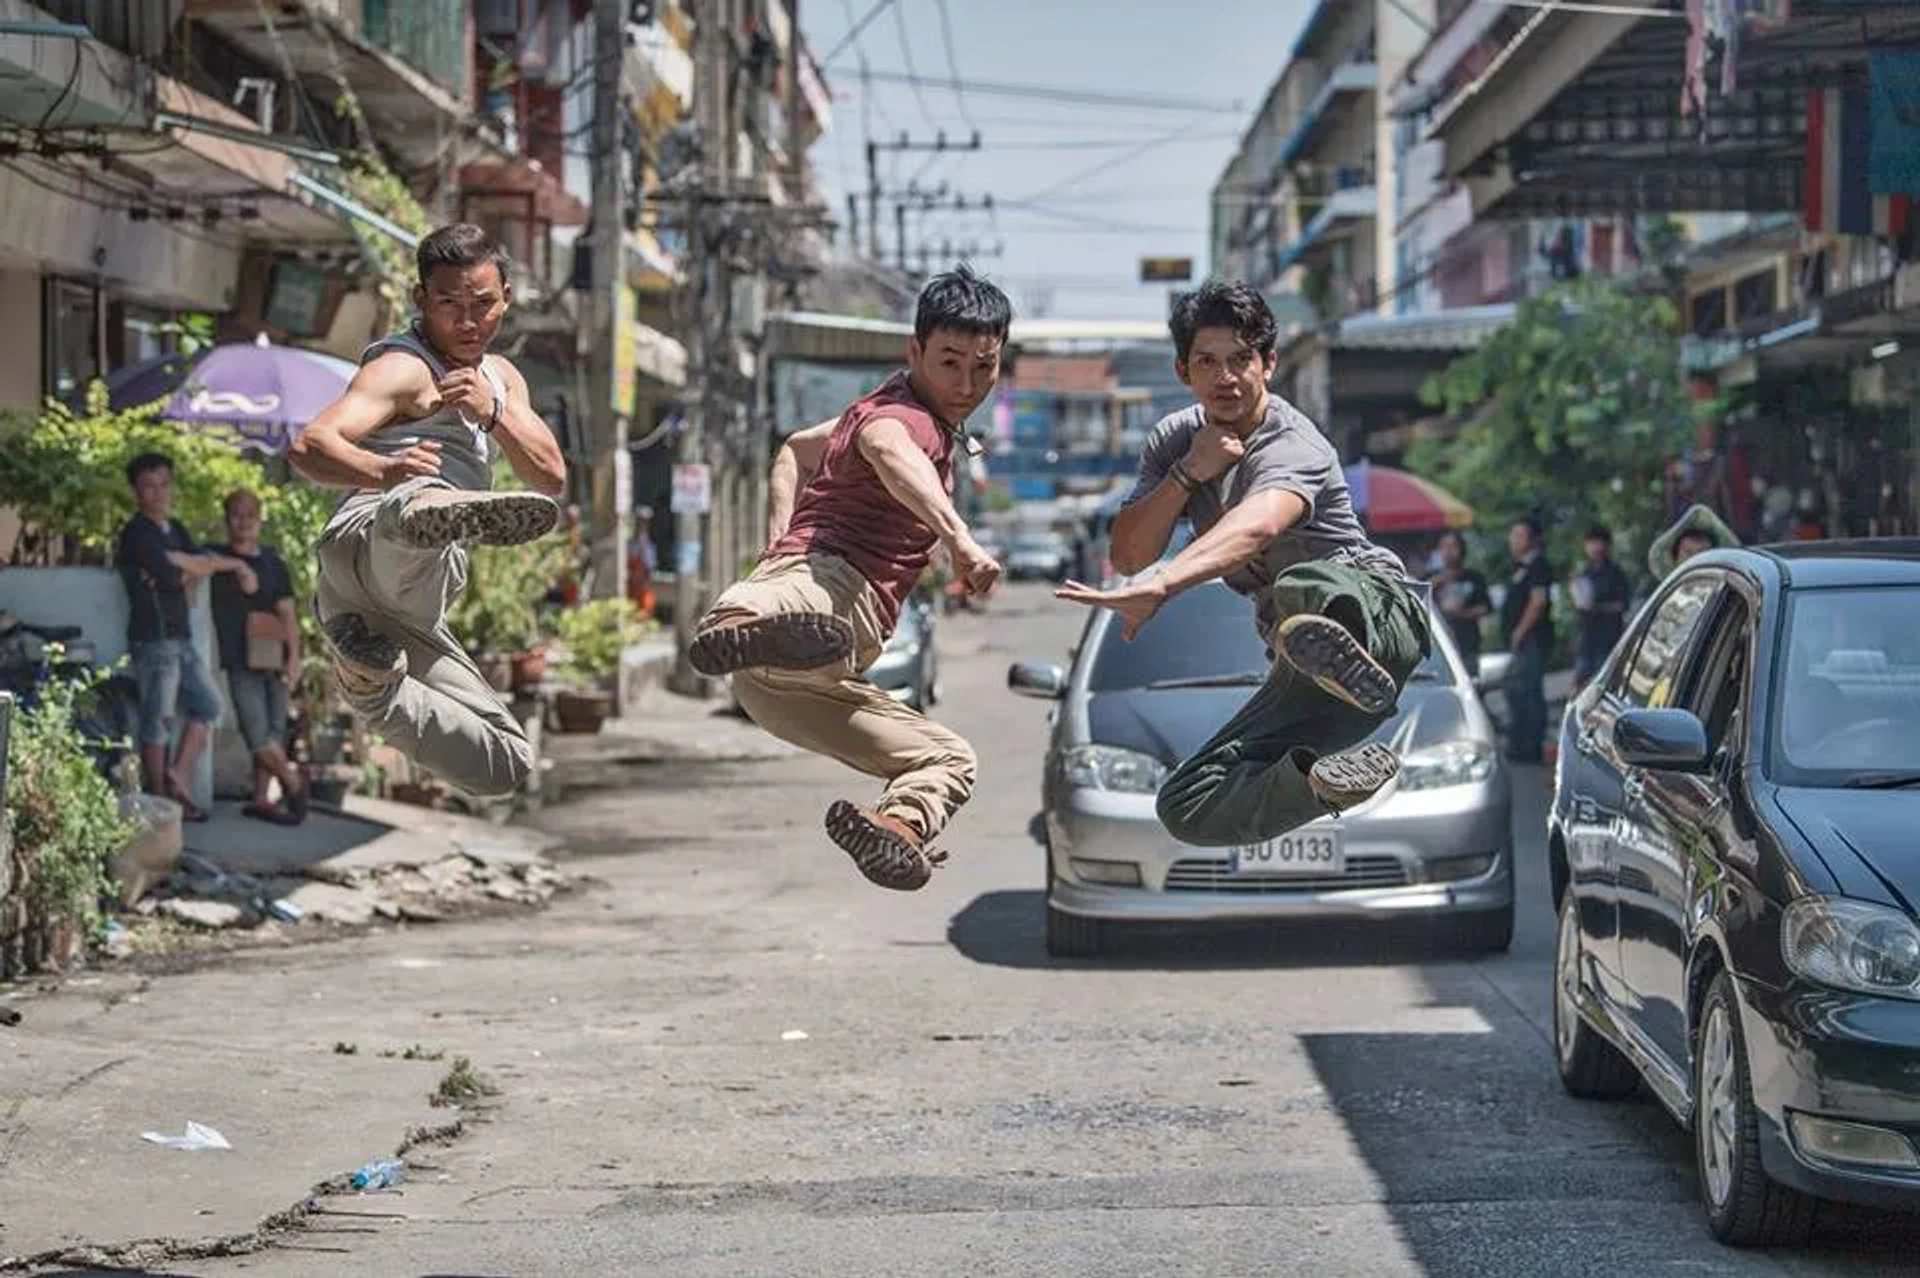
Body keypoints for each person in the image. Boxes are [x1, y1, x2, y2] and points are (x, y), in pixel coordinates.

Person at [1054, 282, 1431, 848]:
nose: (1225, 378)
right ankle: (1320, 783)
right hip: (1305, 666)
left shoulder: (1294, 440)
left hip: (1379, 617)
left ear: (1269, 364)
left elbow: (1257, 527)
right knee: (1186, 802)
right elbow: (1129, 554)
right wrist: (1188, 473)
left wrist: (1161, 586)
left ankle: (1344, 654)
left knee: (1301, 587)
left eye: (1240, 360)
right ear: (1184, 371)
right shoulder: (1175, 440)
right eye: (1207, 363)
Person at [685, 267, 1009, 892]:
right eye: (949, 362)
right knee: (795, 602)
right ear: (914, 353)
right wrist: (960, 539)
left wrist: (775, 539)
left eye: (985, 366)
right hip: (830, 584)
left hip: (787, 688)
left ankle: (897, 828)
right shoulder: (903, 417)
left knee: (948, 758)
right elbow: (889, 450)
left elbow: (794, 451)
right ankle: (741, 622)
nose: (967, 385)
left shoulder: (867, 415)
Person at [289, 223, 567, 798]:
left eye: (482, 304)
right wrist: (384, 472)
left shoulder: (503, 381)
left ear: (507, 298)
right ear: (420, 301)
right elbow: (310, 445)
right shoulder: (403, 368)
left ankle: (370, 683)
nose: (467, 322)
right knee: (418, 509)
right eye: (448, 304)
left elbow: (550, 476)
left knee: (504, 765)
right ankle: (419, 510)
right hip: (367, 543)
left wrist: (495, 415)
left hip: (400, 613)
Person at [116, 452, 253, 822]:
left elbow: (202, 562)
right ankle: (159, 802)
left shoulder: (173, 529)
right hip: (154, 639)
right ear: (136, 492)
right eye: (149, 486)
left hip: (181, 638)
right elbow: (176, 578)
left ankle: (178, 776)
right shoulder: (137, 533)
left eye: (164, 483)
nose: (158, 493)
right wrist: (186, 566)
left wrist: (194, 561)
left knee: (209, 706)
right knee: (157, 720)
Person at [207, 488, 307, 825]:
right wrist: (236, 565)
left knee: (275, 732)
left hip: (273, 658)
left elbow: (288, 615)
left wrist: (294, 658)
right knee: (257, 734)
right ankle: (294, 784)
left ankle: (262, 799)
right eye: (237, 514)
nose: (244, 521)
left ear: (260, 520)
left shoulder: (273, 563)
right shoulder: (215, 557)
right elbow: (192, 564)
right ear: (226, 520)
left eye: (251, 515)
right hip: (239, 659)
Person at [1500, 517, 1554, 764]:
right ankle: (1519, 742)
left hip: (1531, 639)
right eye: (1513, 536)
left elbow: (1538, 602)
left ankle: (1531, 745)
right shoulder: (1518, 567)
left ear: (1532, 541)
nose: (1514, 541)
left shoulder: (1538, 566)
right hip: (1520, 641)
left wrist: (1520, 631)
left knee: (1529, 691)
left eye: (1519, 536)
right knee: (1517, 691)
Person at [1570, 523, 1631, 693]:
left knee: (1603, 685)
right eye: (1591, 543)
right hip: (1586, 638)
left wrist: (1598, 608)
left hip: (1608, 638)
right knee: (1579, 686)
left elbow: (1623, 605)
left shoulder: (1615, 573)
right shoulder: (1583, 573)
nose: (1595, 547)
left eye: (1599, 542)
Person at [1430, 529, 1491, 678]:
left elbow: (1485, 607)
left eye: (1453, 546)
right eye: (1444, 547)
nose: (1448, 551)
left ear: (1461, 549)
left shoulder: (1474, 578)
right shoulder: (1430, 578)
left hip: (1467, 644)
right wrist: (1434, 583)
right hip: (1439, 649)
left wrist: (1464, 613)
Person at [1648, 502, 1740, 579]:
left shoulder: (1729, 596)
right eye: (1688, 553)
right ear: (1675, 560)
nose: (1695, 560)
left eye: (1702, 553)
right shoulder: (1671, 598)